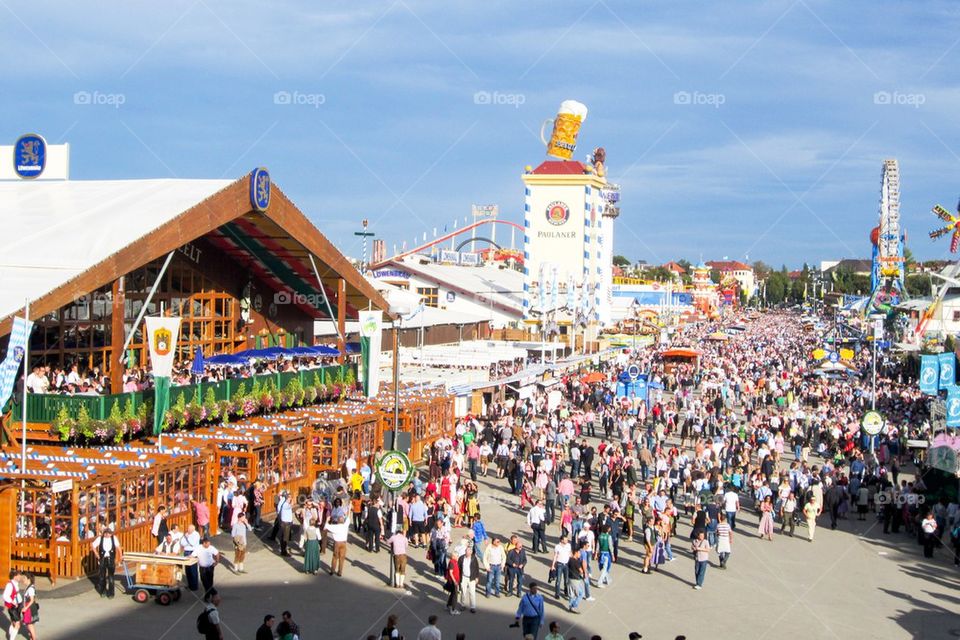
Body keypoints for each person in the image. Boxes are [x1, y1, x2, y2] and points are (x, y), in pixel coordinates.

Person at [92, 526, 122, 598]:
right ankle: (103, 591)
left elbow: (118, 547)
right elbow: (93, 545)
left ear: (111, 534)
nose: (107, 535)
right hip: (102, 559)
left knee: (111, 577)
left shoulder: (114, 538)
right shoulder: (100, 538)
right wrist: (96, 554)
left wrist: (120, 556)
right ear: (104, 533)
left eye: (109, 533)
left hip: (111, 559)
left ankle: (111, 593)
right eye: (106, 533)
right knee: (102, 577)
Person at [192, 537, 220, 602]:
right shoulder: (198, 548)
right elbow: (192, 555)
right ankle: (214, 593)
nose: (208, 545)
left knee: (210, 582)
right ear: (204, 543)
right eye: (207, 544)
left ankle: (207, 597)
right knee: (205, 582)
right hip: (202, 568)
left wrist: (217, 561)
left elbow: (217, 553)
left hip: (210, 567)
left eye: (209, 543)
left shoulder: (211, 547)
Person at [458, 545, 480, 614]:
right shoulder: (461, 558)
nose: (467, 553)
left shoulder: (474, 558)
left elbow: (477, 568)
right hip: (464, 577)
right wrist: (458, 578)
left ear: (471, 552)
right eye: (466, 551)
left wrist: (477, 577)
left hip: (471, 577)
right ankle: (462, 605)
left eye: (468, 551)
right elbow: (458, 568)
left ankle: (472, 607)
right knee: (463, 592)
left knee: (472, 592)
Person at [181, 524, 202, 590]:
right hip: (186, 552)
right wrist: (187, 541)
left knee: (193, 570)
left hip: (192, 552)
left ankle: (194, 586)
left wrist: (188, 538)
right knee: (187, 570)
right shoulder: (186, 534)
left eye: (189, 529)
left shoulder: (196, 534)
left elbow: (193, 543)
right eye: (188, 529)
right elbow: (182, 543)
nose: (188, 530)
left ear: (193, 529)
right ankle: (189, 584)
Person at [3, 569, 22, 640]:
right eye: (19, 575)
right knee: (17, 624)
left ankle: (11, 636)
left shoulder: (15, 583)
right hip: (13, 607)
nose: (20, 576)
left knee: (13, 623)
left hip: (17, 605)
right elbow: (5, 596)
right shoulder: (10, 585)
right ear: (14, 577)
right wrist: (13, 602)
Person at [21, 572, 38, 640]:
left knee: (30, 625)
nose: (23, 580)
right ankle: (31, 638)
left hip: (29, 608)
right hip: (30, 607)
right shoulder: (30, 587)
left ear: (29, 579)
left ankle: (34, 639)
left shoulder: (30, 588)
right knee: (30, 625)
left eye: (24, 578)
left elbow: (32, 600)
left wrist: (25, 608)